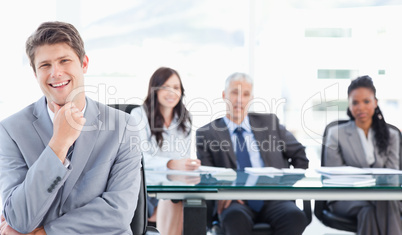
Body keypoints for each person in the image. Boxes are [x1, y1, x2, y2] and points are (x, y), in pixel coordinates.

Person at [0, 21, 142, 235]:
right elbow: (20, 219)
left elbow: (118, 212)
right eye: (45, 65)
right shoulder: (11, 130)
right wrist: (58, 144)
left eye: (64, 61)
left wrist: (45, 233)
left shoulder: (124, 127)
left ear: (84, 63)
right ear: (35, 72)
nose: (55, 72)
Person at [196, 72, 309, 235]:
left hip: (273, 197)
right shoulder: (207, 133)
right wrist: (225, 191)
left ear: (252, 98)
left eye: (246, 94)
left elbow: (299, 155)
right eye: (234, 92)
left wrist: (286, 186)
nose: (239, 99)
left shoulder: (270, 123)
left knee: (295, 216)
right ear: (224, 95)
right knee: (234, 218)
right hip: (235, 200)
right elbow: (206, 175)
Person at [324, 75, 402, 235]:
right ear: (349, 105)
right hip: (346, 197)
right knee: (381, 205)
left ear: (375, 102)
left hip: (383, 196)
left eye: (366, 101)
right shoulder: (335, 134)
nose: (360, 107)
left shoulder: (392, 134)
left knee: (372, 209)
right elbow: (336, 177)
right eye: (355, 102)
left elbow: (392, 175)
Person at [131, 67, 200, 235]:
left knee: (190, 200)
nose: (172, 92)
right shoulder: (138, 115)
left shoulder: (185, 119)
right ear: (155, 89)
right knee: (173, 197)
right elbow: (138, 159)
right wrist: (170, 163)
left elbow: (182, 159)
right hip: (145, 189)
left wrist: (187, 165)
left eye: (176, 88)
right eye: (166, 87)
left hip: (173, 186)